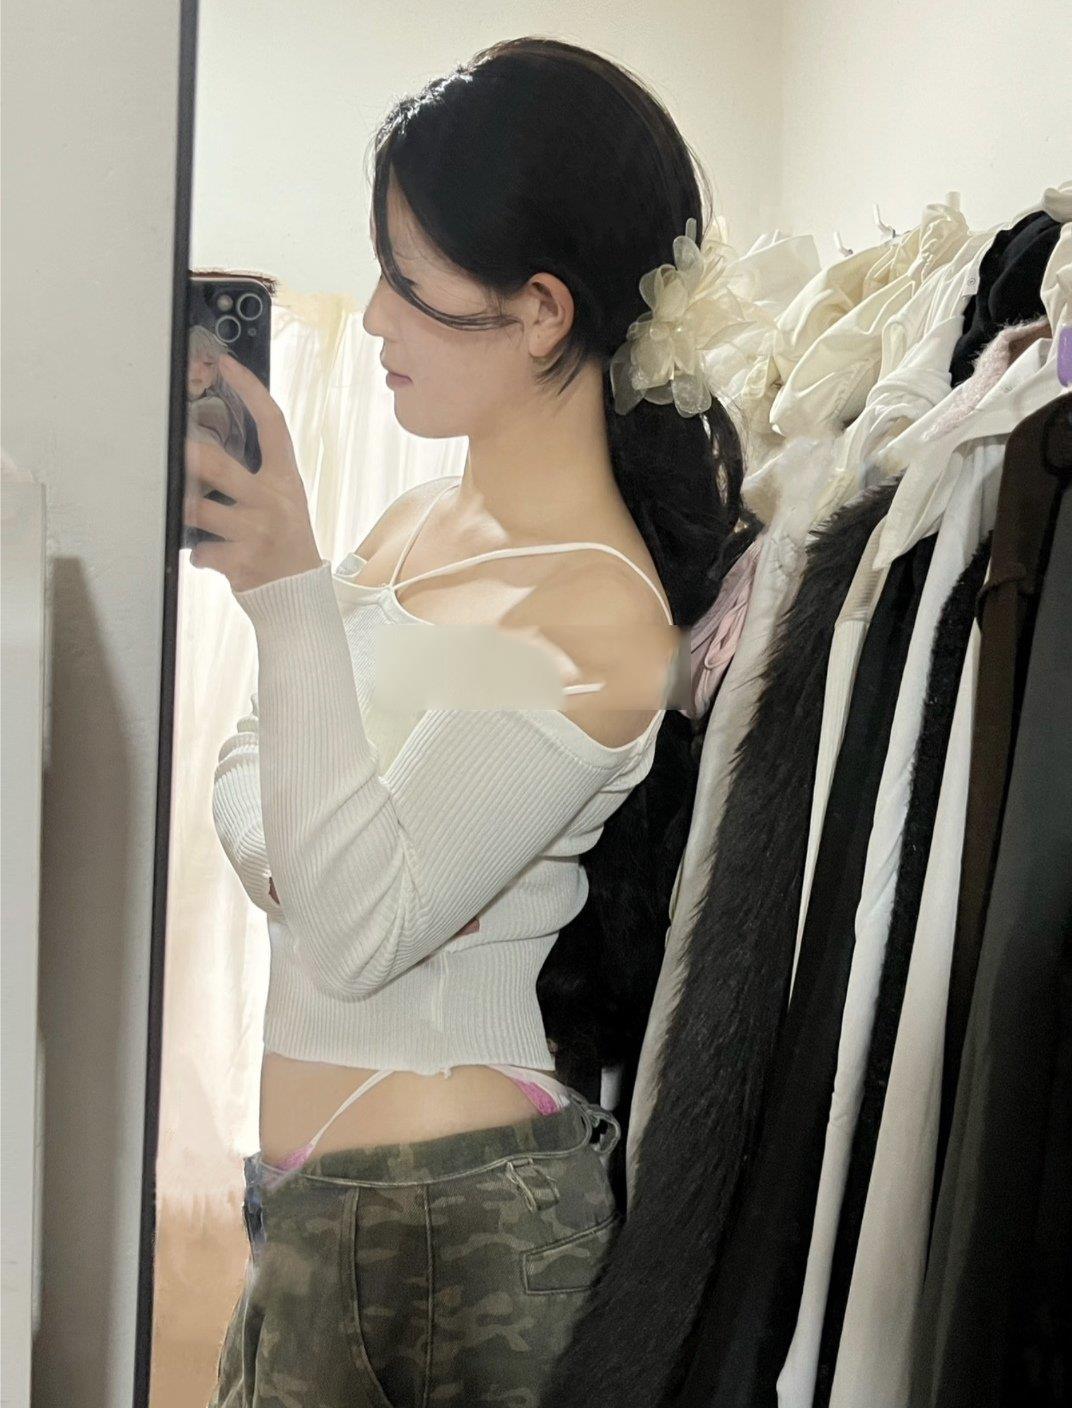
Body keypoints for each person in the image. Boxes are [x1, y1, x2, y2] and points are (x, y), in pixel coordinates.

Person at [193, 35, 751, 1407]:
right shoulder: (410, 523)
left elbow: (354, 928)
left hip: (461, 1233)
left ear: (542, 311)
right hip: (327, 1207)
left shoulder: (594, 610)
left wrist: (288, 601)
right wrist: (315, 857)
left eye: (408, 280)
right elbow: (247, 767)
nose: (375, 321)